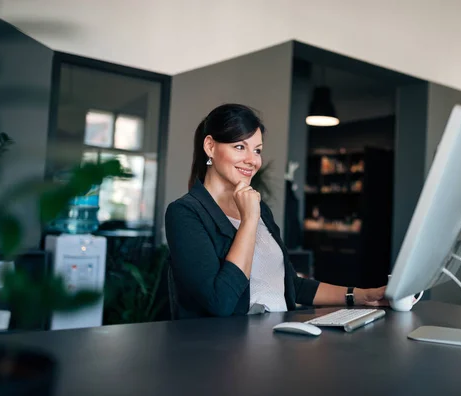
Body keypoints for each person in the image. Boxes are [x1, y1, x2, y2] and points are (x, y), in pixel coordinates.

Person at [165, 103, 389, 318]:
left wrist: (362, 295)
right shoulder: (185, 213)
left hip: (277, 338)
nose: (252, 160)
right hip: (229, 349)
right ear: (210, 146)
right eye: (240, 147)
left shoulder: (259, 208)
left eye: (258, 150)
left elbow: (289, 283)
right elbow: (220, 302)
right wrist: (249, 221)